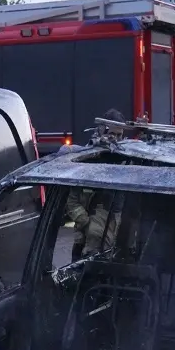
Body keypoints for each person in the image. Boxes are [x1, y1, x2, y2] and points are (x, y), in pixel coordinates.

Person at [65, 109, 124, 261]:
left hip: (116, 240)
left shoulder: (127, 161)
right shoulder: (86, 160)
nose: (115, 139)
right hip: (85, 241)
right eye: (112, 133)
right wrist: (88, 225)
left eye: (119, 135)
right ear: (101, 131)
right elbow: (71, 202)